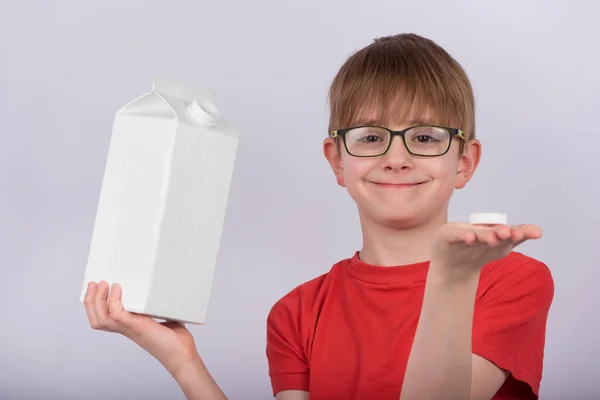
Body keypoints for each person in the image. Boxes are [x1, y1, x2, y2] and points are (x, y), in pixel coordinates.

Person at [83, 33, 554, 400]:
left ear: (465, 162)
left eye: (425, 137)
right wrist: (183, 359)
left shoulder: (511, 281)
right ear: (336, 160)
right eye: (370, 137)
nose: (396, 157)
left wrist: (451, 280)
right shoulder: (297, 314)